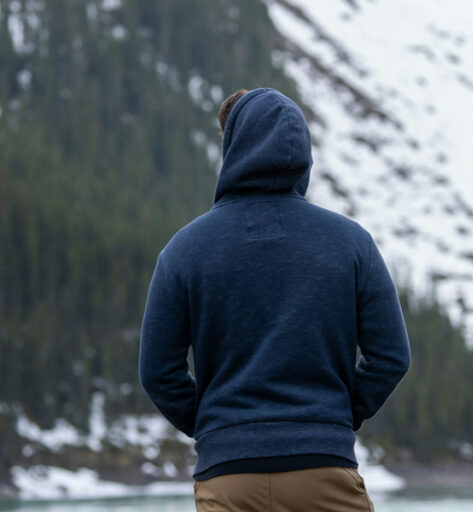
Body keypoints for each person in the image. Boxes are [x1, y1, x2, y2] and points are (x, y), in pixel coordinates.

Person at [140, 87, 411, 511]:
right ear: (304, 152)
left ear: (232, 148)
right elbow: (391, 356)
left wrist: (217, 427)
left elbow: (158, 372)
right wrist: (332, 417)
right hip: (323, 467)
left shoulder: (184, 249)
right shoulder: (351, 243)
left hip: (228, 475)